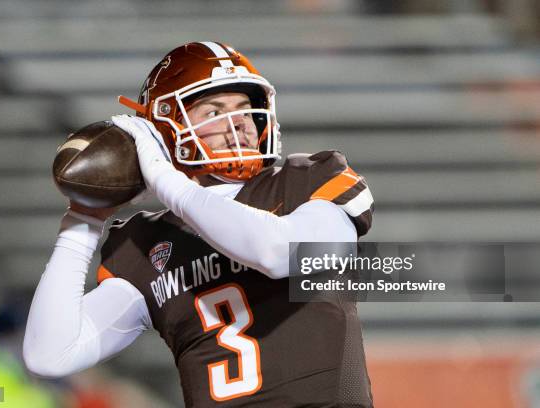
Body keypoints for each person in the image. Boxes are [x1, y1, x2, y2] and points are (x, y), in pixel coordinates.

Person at [24, 41, 375, 407]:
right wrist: (82, 222)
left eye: (244, 109)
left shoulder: (309, 180)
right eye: (214, 110)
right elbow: (50, 354)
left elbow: (277, 253)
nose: (237, 122)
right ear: (165, 129)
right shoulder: (148, 242)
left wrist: (164, 180)